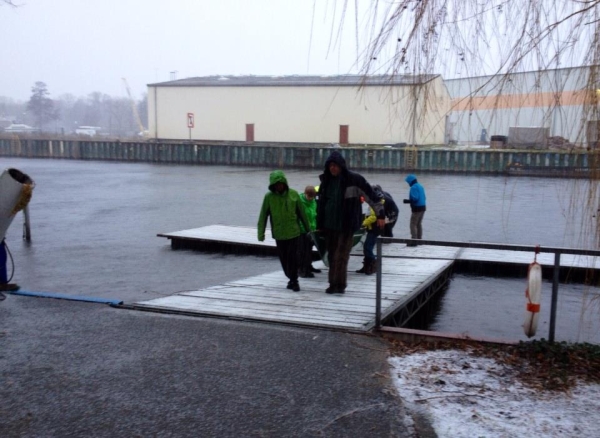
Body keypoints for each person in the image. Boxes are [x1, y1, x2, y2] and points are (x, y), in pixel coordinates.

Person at [316, 151, 385, 294]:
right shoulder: (325, 182)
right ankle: (332, 283)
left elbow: (371, 196)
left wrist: (380, 214)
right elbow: (321, 205)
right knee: (331, 255)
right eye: (330, 166)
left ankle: (339, 285)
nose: (333, 168)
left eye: (335, 165)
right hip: (329, 226)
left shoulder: (354, 180)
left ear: (341, 166)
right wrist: (319, 224)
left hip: (346, 225)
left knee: (341, 256)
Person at [257, 170, 310, 292]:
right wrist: (261, 233)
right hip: (279, 234)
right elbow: (263, 215)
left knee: (293, 258)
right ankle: (291, 278)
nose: (279, 186)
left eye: (280, 183)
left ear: (284, 183)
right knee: (284, 260)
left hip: (293, 233)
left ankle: (294, 280)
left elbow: (302, 214)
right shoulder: (268, 197)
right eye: (276, 184)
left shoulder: (294, 194)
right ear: (273, 185)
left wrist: (308, 230)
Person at [355, 188, 384, 275]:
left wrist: (363, 224)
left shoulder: (375, 204)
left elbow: (373, 217)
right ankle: (367, 266)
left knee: (368, 247)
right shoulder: (375, 203)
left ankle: (374, 264)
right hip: (371, 228)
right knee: (366, 247)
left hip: (374, 229)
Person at [298, 185, 321, 278]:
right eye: (309, 196)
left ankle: (308, 266)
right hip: (302, 230)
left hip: (311, 230)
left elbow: (313, 216)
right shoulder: (299, 202)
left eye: (312, 197)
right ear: (305, 194)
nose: (310, 199)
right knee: (302, 251)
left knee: (309, 250)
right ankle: (302, 270)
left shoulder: (313, 202)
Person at [403, 174, 426, 246]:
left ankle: (414, 240)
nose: (408, 184)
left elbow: (415, 198)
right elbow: (424, 197)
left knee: (413, 224)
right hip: (423, 207)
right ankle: (419, 240)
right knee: (419, 224)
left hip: (417, 208)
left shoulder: (413, 187)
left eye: (408, 182)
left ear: (410, 181)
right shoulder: (420, 186)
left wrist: (407, 201)